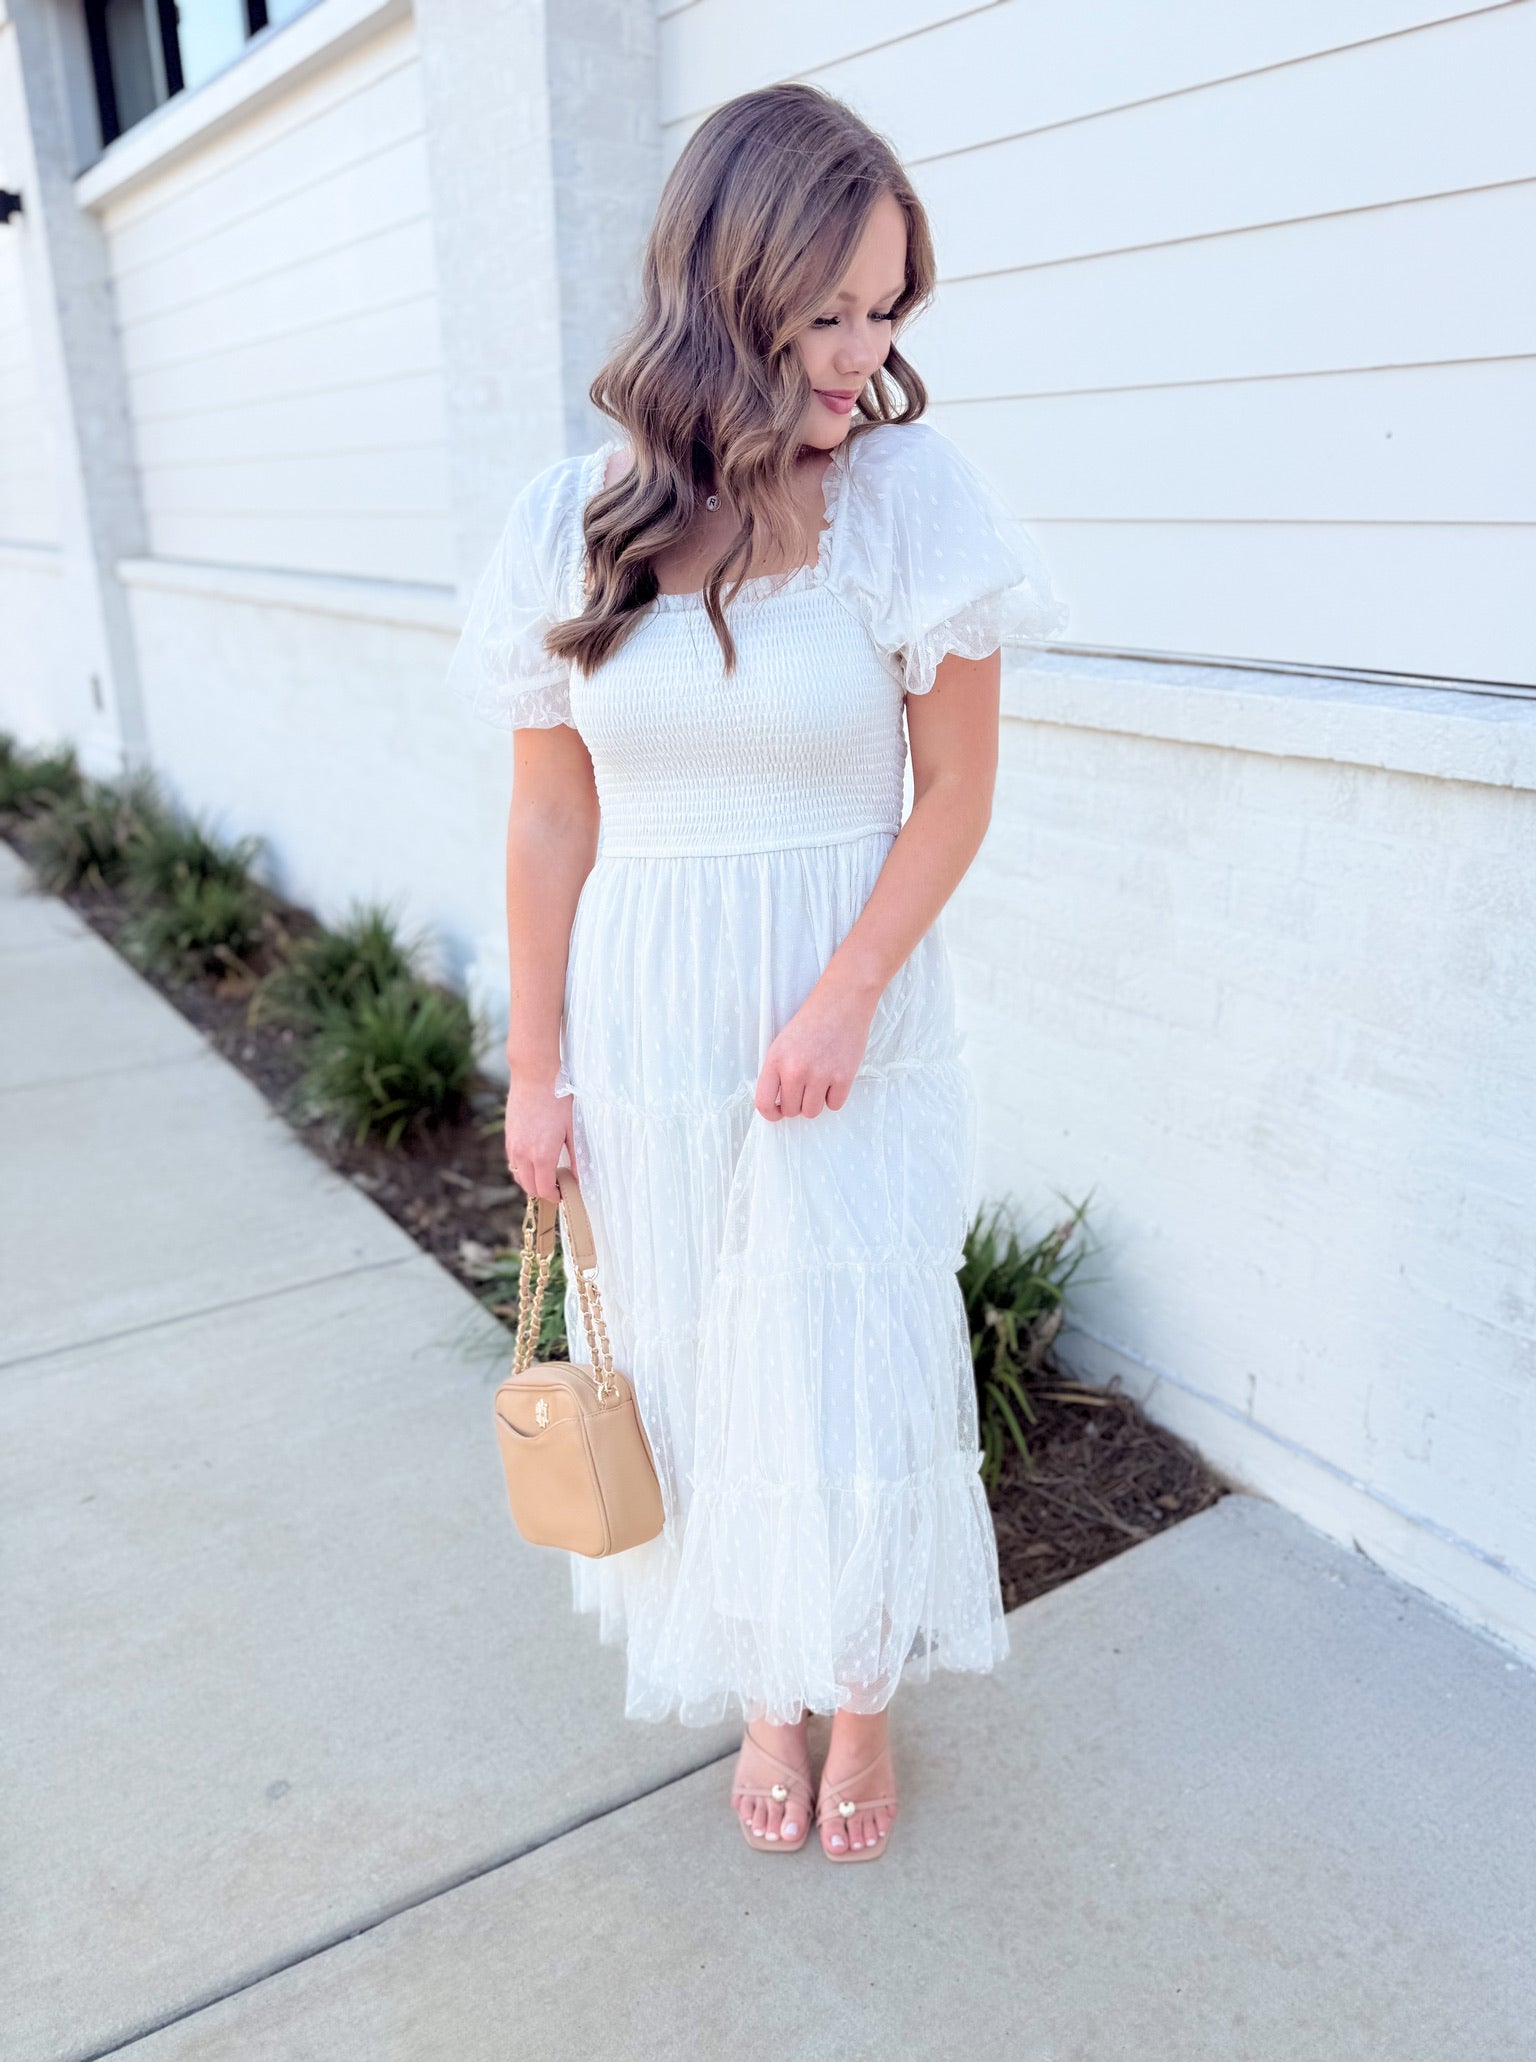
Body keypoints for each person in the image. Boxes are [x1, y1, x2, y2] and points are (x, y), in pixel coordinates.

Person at [447, 81, 1064, 1863]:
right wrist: (535, 1069)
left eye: (891, 309)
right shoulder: (573, 524)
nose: (866, 354)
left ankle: (855, 1689)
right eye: (829, 313)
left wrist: (851, 988)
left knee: (849, 1359)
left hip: (841, 1008)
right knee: (713, 1370)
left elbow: (955, 792)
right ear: (730, 287)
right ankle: (763, 1690)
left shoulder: (906, 497)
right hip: (651, 1016)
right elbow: (550, 824)